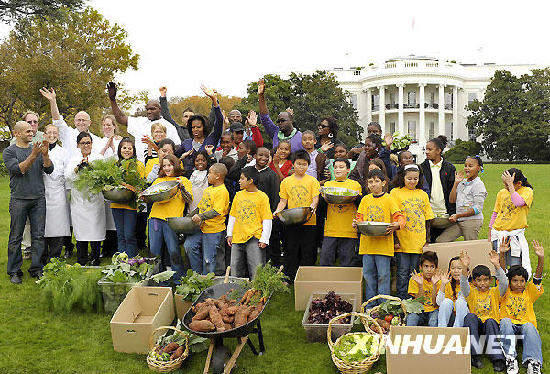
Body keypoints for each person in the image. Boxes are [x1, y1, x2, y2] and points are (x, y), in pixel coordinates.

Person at [4, 121, 53, 283]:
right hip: (19, 199)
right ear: (16, 133)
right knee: (16, 236)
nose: (32, 133)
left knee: (38, 236)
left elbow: (49, 169)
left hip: (38, 198)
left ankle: (36, 268)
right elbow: (20, 169)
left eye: (32, 131)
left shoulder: (38, 150)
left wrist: (45, 155)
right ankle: (14, 270)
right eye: (27, 131)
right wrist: (34, 155)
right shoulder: (9, 152)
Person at [354, 169, 404, 305]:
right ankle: (370, 304)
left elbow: (399, 217)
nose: (373, 184)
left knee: (383, 276)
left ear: (383, 183)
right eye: (370, 182)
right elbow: (359, 218)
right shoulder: (365, 199)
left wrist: (397, 225)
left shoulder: (389, 199)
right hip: (367, 246)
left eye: (376, 181)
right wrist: (356, 223)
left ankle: (384, 305)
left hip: (384, 246)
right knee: (369, 276)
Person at [498, 239, 544, 374]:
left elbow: (538, 277)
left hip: (525, 328)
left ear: (525, 282)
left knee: (529, 326)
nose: (519, 284)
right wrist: (502, 255)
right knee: (505, 321)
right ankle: (511, 359)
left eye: (522, 281)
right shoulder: (504, 290)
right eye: (515, 281)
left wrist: (540, 258)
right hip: (509, 327)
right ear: (509, 282)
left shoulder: (529, 291)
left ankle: (533, 362)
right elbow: (501, 273)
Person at [390, 165, 435, 300]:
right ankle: (401, 300)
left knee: (415, 272)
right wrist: (395, 240)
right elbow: (392, 217)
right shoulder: (395, 193)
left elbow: (428, 219)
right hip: (402, 241)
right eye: (409, 178)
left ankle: (413, 300)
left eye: (415, 178)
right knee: (402, 272)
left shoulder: (422, 194)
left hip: (418, 241)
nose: (412, 181)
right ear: (402, 178)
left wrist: (428, 239)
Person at [274, 150, 320, 281]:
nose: (301, 167)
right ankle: (289, 277)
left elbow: (315, 198)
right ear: (293, 164)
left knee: (308, 250)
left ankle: (307, 278)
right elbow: (283, 201)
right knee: (291, 249)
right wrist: (277, 211)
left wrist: (313, 206)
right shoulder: (286, 182)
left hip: (309, 222)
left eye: (304, 164)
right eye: (299, 164)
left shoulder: (313, 181)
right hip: (292, 221)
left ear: (308, 165)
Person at [107, 81, 181, 164]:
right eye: (147, 109)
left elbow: (177, 147)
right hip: (140, 166)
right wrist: (112, 99)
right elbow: (120, 118)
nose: (149, 111)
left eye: (152, 109)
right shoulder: (140, 121)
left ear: (159, 110)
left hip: (161, 167)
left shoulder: (168, 126)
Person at [146, 154, 193, 280]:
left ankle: (178, 278)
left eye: (169, 165)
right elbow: (150, 196)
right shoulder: (157, 181)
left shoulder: (184, 180)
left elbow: (189, 199)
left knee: (173, 250)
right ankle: (154, 278)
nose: (167, 168)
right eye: (164, 165)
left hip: (172, 221)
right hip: (155, 218)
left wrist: (181, 187)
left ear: (175, 165)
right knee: (154, 251)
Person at [460, 249, 507, 372]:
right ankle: (475, 356)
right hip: (476, 327)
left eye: (486, 280)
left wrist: (497, 265)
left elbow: (504, 283)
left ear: (490, 280)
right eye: (479, 280)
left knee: (491, 321)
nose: (482, 283)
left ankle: (497, 359)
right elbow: (463, 283)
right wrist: (464, 267)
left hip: (491, 327)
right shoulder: (471, 292)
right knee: (470, 317)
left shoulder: (495, 291)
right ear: (474, 282)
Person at [64, 132, 106, 266]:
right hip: (79, 201)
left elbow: (104, 176)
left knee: (95, 228)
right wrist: (78, 167)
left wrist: (92, 168)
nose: (86, 145)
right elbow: (67, 176)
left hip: (95, 200)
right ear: (78, 145)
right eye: (83, 143)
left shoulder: (99, 158)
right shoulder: (73, 159)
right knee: (81, 230)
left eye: (88, 142)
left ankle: (95, 257)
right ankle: (81, 258)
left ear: (92, 144)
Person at [227, 167, 273, 279]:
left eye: (242, 179)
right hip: (237, 237)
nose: (239, 181)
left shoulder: (262, 197)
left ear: (250, 180)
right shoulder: (238, 195)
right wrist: (229, 233)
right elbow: (233, 216)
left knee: (256, 268)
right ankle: (236, 293)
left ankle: (257, 293)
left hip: (254, 237)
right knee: (235, 267)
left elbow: (267, 219)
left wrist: (264, 238)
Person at [186, 163, 230, 275]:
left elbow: (217, 211)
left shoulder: (222, 191)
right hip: (202, 228)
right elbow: (200, 207)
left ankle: (208, 281)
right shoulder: (208, 189)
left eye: (210, 173)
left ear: (218, 176)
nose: (207, 175)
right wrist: (188, 217)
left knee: (209, 259)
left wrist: (200, 216)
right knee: (189, 246)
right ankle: (198, 274)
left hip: (214, 230)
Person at [489, 168, 534, 275]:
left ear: (518, 183)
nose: (505, 187)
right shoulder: (502, 193)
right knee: (499, 265)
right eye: (504, 184)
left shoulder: (527, 191)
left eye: (508, 184)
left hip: (514, 236)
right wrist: (490, 232)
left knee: (515, 266)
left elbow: (518, 202)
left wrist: (511, 187)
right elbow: (496, 212)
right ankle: (500, 288)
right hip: (498, 234)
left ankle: (514, 289)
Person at [320, 158, 362, 267]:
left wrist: (357, 197)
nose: (338, 170)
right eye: (335, 167)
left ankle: (346, 284)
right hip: (331, 230)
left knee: (347, 263)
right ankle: (326, 283)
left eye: (341, 167)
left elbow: (360, 205)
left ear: (348, 170)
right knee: (325, 260)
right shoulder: (328, 185)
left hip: (349, 230)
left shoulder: (355, 185)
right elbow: (322, 207)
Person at [436, 155, 487, 242]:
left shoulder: (478, 185)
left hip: (472, 221)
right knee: (440, 241)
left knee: (470, 248)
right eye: (465, 166)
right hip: (460, 221)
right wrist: (456, 184)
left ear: (478, 168)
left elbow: (477, 209)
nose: (467, 168)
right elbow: (452, 200)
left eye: (470, 166)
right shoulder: (462, 183)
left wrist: (458, 215)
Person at [40, 87, 101, 158]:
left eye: (83, 120)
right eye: (78, 120)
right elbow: (57, 120)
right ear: (74, 122)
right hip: (68, 168)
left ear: (90, 122)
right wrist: (53, 101)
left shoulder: (97, 140)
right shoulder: (67, 133)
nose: (81, 122)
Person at [174, 85, 223, 172]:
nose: (195, 129)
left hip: (208, 179)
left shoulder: (212, 139)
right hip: (190, 180)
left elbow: (219, 121)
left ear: (204, 127)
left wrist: (214, 101)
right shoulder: (186, 143)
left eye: (198, 127)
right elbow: (174, 158)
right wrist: (182, 158)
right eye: (193, 127)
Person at [110, 138, 145, 257]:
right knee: (120, 234)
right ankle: (121, 261)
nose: (126, 150)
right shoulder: (115, 165)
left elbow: (140, 186)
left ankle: (131, 259)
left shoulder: (138, 165)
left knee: (129, 234)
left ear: (133, 150)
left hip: (131, 205)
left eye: (129, 148)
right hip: (116, 204)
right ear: (120, 149)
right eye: (124, 148)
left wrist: (128, 186)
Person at [42, 125, 71, 264]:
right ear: (44, 134)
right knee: (43, 226)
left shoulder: (64, 152)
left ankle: (55, 257)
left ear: (58, 135)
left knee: (58, 226)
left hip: (58, 193)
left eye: (55, 133)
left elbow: (66, 172)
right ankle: (43, 256)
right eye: (49, 133)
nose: (52, 135)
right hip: (42, 192)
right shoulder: (38, 149)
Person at [420, 135, 456, 242]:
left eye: (430, 149)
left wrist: (452, 211)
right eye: (426, 149)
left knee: (443, 244)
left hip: (445, 213)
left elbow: (452, 190)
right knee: (428, 243)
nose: (427, 152)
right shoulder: (421, 168)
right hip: (428, 213)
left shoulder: (449, 168)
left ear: (439, 151)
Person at [258, 78, 303, 151]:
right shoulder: (275, 133)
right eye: (278, 121)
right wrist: (261, 95)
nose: (280, 123)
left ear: (291, 120)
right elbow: (265, 118)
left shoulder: (301, 137)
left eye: (283, 120)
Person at [406, 251, 440, 327]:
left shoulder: (438, 280)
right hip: (419, 309)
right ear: (420, 267)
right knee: (411, 317)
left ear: (436, 268)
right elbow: (419, 303)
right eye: (426, 266)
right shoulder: (415, 279)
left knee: (433, 321)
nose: (429, 270)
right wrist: (420, 285)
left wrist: (434, 285)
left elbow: (435, 304)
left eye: (432, 267)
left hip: (434, 310)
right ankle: (408, 338)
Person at [435, 257, 469, 327]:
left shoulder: (469, 285)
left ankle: (457, 330)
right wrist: (443, 284)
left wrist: (464, 279)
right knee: (447, 301)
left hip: (463, 318)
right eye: (453, 268)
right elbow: (439, 303)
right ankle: (442, 330)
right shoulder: (446, 283)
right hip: (450, 316)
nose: (456, 271)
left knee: (460, 302)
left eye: (459, 268)